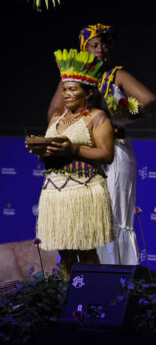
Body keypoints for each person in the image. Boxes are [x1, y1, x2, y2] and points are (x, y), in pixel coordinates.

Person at [47, 23, 156, 265]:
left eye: (106, 44)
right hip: (81, 153)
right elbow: (53, 113)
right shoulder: (72, 78)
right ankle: (83, 281)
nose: (101, 49)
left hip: (114, 151)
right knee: (84, 217)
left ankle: (116, 283)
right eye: (95, 44)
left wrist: (118, 116)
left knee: (114, 214)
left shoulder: (116, 75)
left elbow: (148, 101)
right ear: (83, 47)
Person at [32, 49, 114, 275]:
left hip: (84, 190)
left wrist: (74, 149)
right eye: (64, 89)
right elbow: (50, 153)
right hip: (55, 191)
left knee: (86, 252)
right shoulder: (57, 117)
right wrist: (42, 151)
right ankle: (70, 299)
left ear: (87, 93)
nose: (66, 94)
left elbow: (107, 154)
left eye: (72, 90)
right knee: (66, 252)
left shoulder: (97, 117)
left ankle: (92, 299)